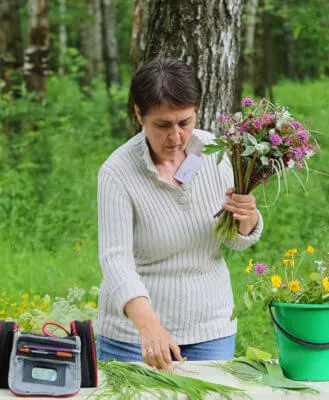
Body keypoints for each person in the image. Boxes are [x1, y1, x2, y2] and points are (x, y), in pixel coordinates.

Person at [96, 56, 264, 371]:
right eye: (163, 125)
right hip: (134, 337)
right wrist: (149, 327)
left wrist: (248, 219)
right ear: (139, 115)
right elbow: (115, 261)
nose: (176, 137)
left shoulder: (218, 153)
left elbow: (236, 242)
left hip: (210, 330)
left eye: (185, 122)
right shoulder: (117, 173)